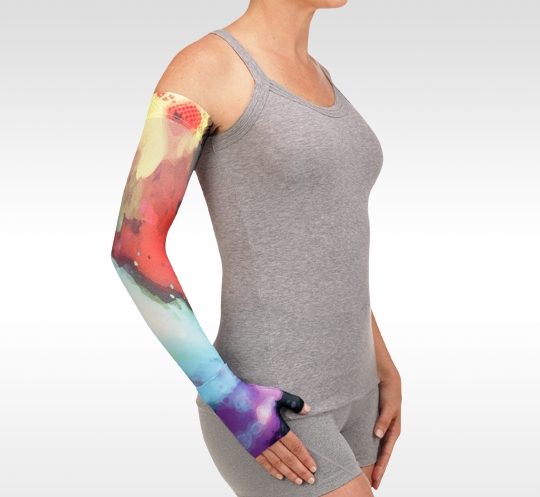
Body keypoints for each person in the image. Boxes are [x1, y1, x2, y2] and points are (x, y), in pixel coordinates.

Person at [110, 0, 402, 495]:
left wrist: (384, 364)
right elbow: (133, 247)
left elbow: (325, 245)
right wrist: (225, 396)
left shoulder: (319, 74)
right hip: (274, 405)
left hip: (359, 393)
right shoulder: (205, 68)